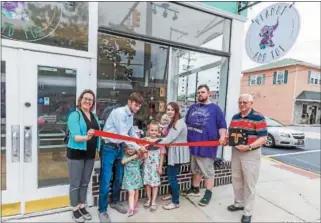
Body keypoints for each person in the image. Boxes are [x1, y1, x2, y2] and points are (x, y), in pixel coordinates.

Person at [98, 92, 147, 223]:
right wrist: (138, 147)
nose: (137, 108)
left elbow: (131, 131)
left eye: (139, 106)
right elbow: (123, 135)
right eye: (135, 105)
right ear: (130, 102)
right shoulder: (119, 113)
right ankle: (102, 210)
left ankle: (115, 202)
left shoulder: (130, 115)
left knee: (119, 177)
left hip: (119, 148)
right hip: (108, 147)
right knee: (106, 179)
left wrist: (139, 141)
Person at [227, 93, 267, 223]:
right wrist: (226, 140)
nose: (242, 104)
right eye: (240, 102)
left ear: (251, 103)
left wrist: (249, 146)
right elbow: (230, 134)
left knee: (250, 182)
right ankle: (239, 203)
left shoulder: (258, 117)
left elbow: (263, 138)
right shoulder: (235, 117)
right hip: (236, 152)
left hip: (251, 153)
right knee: (236, 179)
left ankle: (248, 211)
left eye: (245, 102)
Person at [184, 84, 227, 206]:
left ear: (208, 93)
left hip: (207, 147)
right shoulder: (192, 107)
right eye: (198, 92)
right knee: (196, 169)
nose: (200, 94)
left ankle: (208, 193)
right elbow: (186, 123)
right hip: (193, 146)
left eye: (202, 92)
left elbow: (222, 126)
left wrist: (223, 137)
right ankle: (195, 188)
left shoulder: (215, 109)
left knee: (207, 171)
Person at [66, 89, 101, 223]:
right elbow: (75, 136)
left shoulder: (94, 116)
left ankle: (82, 205)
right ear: (80, 100)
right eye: (85, 98)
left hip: (90, 154)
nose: (87, 101)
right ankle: (75, 209)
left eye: (90, 100)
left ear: (93, 103)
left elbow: (98, 133)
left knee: (85, 182)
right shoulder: (75, 115)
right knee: (75, 183)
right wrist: (87, 137)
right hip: (76, 154)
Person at [159, 102, 190, 210]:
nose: (169, 111)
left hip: (177, 153)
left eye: (172, 109)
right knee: (172, 175)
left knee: (172, 177)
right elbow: (165, 134)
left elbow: (169, 139)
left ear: (176, 111)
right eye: (168, 109)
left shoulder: (179, 123)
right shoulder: (173, 121)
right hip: (173, 151)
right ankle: (172, 195)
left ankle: (175, 201)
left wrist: (153, 141)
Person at [142, 120, 166, 212]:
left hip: (155, 166)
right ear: (148, 130)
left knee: (155, 184)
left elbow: (162, 155)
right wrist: (145, 147)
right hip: (147, 165)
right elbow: (142, 152)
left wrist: (160, 167)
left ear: (158, 132)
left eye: (155, 130)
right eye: (152, 130)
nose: (153, 132)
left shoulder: (160, 141)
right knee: (147, 184)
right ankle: (148, 199)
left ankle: (153, 201)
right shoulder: (145, 140)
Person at [121, 146, 145, 217]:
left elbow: (144, 156)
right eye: (129, 149)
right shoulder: (125, 156)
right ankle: (131, 209)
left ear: (135, 150)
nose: (130, 150)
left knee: (136, 192)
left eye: (132, 149)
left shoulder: (138, 156)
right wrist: (133, 156)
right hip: (128, 179)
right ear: (126, 150)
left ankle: (134, 205)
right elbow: (122, 162)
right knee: (131, 193)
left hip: (136, 178)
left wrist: (141, 152)